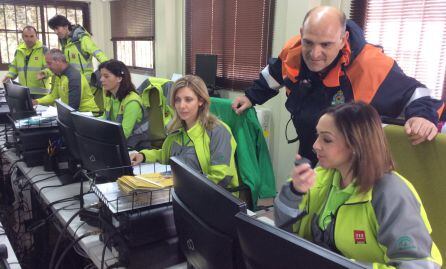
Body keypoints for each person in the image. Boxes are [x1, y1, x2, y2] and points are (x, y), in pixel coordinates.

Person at [232, 6, 444, 165]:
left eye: (326, 44)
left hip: (350, 164)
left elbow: (416, 92)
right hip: (310, 149)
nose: (314, 54)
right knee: (301, 208)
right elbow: (274, 74)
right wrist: (251, 97)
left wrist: (422, 116)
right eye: (309, 42)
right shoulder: (295, 50)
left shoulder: (370, 64)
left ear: (343, 39)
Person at [274, 102, 442, 268]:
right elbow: (282, 226)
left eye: (326, 139)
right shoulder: (319, 176)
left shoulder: (390, 192)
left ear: (356, 144)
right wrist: (294, 192)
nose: (315, 145)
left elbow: (418, 265)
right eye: (317, 135)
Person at [130, 75, 239, 189]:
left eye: (188, 99)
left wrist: (187, 188)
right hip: (180, 191)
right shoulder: (177, 130)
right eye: (178, 100)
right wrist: (143, 155)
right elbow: (165, 155)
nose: (181, 106)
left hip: (212, 196)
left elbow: (221, 177)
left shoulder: (218, 131)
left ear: (200, 101)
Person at [99, 59, 148, 150]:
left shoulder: (132, 101)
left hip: (136, 148)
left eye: (106, 76)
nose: (101, 79)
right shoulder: (112, 98)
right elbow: (104, 119)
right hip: (120, 144)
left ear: (119, 78)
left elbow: (124, 133)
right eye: (101, 76)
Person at [32, 49, 99, 113]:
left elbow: (73, 107)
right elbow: (53, 96)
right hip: (75, 113)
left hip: (87, 114)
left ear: (58, 61)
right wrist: (37, 101)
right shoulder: (58, 75)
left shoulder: (73, 77)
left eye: (49, 63)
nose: (47, 67)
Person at [48, 15, 108, 84]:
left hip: (86, 83)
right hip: (72, 82)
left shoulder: (82, 39)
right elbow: (61, 64)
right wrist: (46, 73)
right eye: (54, 30)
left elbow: (99, 54)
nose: (56, 32)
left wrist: (109, 68)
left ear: (66, 26)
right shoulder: (65, 43)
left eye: (57, 28)